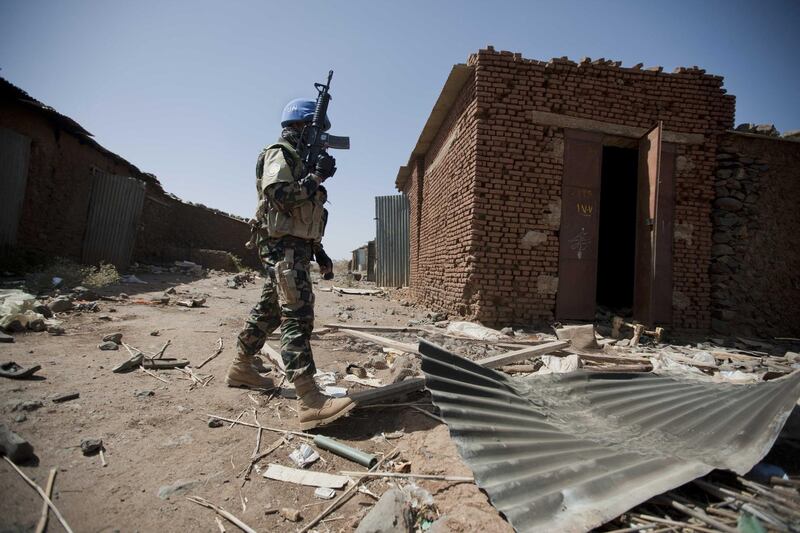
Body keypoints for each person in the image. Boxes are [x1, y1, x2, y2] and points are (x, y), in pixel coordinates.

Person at [228, 98, 353, 430]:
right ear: (301, 127)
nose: (323, 140)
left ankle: (241, 366)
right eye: (318, 133)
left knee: (270, 310)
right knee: (297, 315)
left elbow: (305, 217)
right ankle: (310, 400)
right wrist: (317, 176)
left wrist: (320, 252)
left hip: (295, 248)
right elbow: (282, 197)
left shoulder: (298, 161)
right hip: (283, 250)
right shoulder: (279, 153)